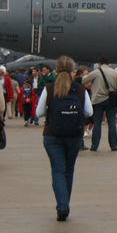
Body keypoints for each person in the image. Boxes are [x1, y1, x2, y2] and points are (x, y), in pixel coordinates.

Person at [38, 56, 93, 221]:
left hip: (52, 135)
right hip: (74, 135)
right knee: (69, 170)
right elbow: (89, 112)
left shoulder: (49, 88)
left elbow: (38, 113)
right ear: (73, 71)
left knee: (58, 170)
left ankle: (62, 206)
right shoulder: (80, 89)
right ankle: (64, 204)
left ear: (56, 70)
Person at [82, 61, 117, 151]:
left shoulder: (96, 72)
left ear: (99, 64)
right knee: (112, 122)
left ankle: (95, 146)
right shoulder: (114, 72)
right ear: (108, 63)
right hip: (111, 101)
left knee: (97, 123)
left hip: (98, 100)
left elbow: (84, 80)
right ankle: (113, 146)